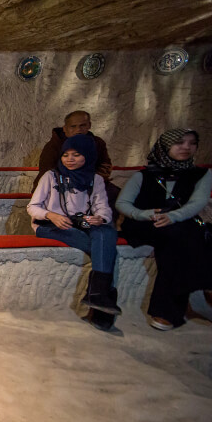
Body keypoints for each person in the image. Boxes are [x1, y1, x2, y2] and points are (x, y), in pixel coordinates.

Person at [116, 128, 212, 330]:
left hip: (181, 222)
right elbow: (123, 203)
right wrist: (148, 214)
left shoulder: (201, 174)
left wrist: (172, 217)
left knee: (182, 237)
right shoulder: (144, 175)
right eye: (180, 143)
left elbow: (197, 203)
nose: (186, 147)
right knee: (188, 235)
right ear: (165, 146)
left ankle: (166, 312)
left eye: (192, 143)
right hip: (143, 223)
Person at [27, 134, 122, 319]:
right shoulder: (51, 176)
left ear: (87, 155)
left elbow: (103, 207)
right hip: (50, 224)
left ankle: (97, 296)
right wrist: (51, 214)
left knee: (105, 231)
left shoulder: (96, 179)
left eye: (76, 154)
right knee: (105, 249)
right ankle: (101, 301)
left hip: (81, 222)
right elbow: (33, 207)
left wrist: (100, 218)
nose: (69, 159)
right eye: (66, 155)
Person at [32, 111, 120, 209]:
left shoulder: (97, 143)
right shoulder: (54, 146)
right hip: (62, 185)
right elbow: (47, 171)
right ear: (65, 129)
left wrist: (93, 180)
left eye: (82, 125)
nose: (78, 130)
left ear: (89, 125)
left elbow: (105, 165)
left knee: (118, 197)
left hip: (92, 183)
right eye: (73, 126)